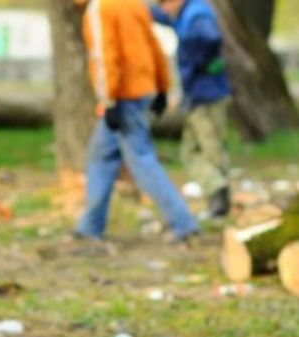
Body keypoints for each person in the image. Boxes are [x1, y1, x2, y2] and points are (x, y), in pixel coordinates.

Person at [73, 0, 200, 243]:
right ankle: (90, 226)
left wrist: (108, 100)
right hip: (141, 90)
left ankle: (183, 223)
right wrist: (162, 86)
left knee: (141, 160)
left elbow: (104, 57)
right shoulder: (131, 3)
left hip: (122, 96)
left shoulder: (100, 9)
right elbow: (154, 45)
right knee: (101, 157)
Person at [151, 0, 232, 218]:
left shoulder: (196, 14)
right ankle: (216, 192)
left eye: (164, 3)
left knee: (211, 147)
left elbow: (210, 38)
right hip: (197, 94)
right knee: (190, 150)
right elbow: (164, 18)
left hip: (207, 94)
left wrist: (193, 67)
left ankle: (220, 199)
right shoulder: (184, 13)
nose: (164, 8)